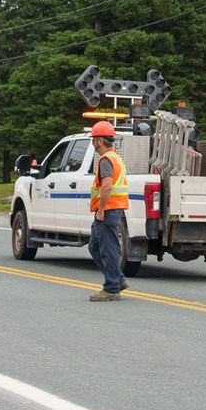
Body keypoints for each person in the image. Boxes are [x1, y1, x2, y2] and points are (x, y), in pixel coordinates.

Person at [86, 120, 130, 301]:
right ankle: (118, 279)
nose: (93, 144)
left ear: (100, 141)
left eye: (94, 140)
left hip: (107, 210)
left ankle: (111, 288)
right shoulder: (115, 157)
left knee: (108, 249)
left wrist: (101, 210)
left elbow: (107, 186)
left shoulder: (106, 160)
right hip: (112, 209)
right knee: (94, 246)